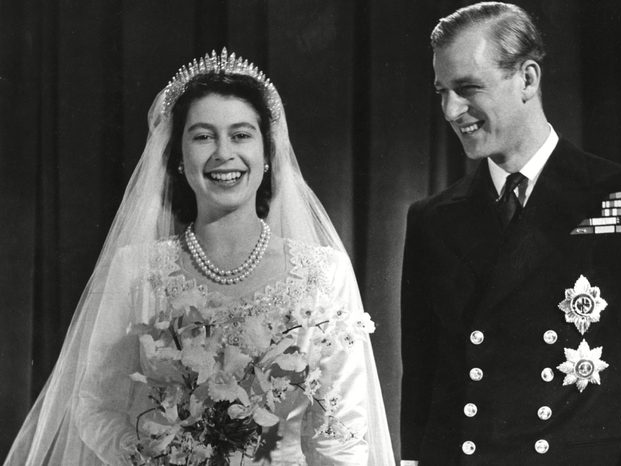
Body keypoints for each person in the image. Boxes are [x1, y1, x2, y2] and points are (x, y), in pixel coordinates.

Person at [4, 49, 394, 465]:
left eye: (241, 135)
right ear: (178, 157)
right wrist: (150, 455)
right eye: (203, 136)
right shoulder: (138, 270)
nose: (223, 153)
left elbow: (342, 432)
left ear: (267, 156)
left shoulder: (322, 273)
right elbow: (95, 404)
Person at [400, 2, 621, 465]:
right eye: (442, 92)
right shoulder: (432, 219)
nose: (451, 110)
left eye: (467, 88)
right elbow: (422, 385)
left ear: (527, 79)